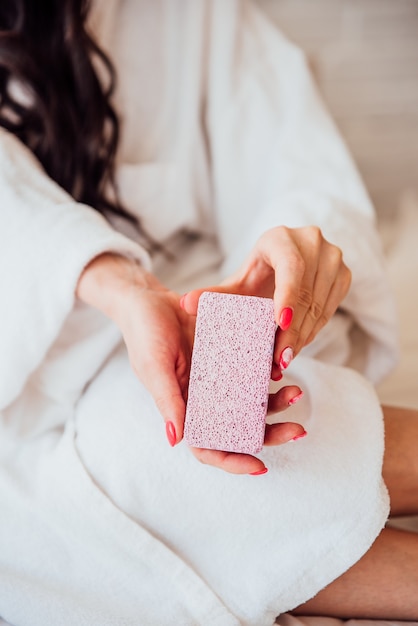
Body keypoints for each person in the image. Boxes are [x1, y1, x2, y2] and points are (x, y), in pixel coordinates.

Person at [0, 1, 417, 624]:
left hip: (184, 311)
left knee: (183, 432)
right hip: (22, 394)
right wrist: (112, 283)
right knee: (147, 449)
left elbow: (297, 169)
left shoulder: (190, 16)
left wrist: (284, 263)